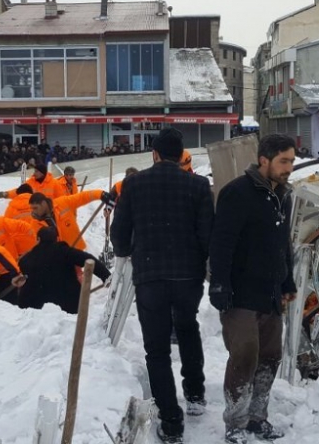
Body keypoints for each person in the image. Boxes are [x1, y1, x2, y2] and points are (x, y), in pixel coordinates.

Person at [109, 127, 214, 443]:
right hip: (188, 277)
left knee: (156, 349)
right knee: (187, 328)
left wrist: (127, 251)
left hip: (150, 275)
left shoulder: (133, 184)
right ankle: (195, 395)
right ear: (181, 155)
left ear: (154, 154)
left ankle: (171, 422)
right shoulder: (198, 185)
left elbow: (119, 232)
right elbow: (207, 234)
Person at [209, 134, 297, 443]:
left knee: (270, 356)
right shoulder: (238, 192)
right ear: (264, 160)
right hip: (240, 292)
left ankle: (258, 418)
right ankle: (236, 423)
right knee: (245, 355)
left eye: (292, 161)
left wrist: (288, 280)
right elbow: (221, 242)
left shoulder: (283, 195)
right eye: (283, 161)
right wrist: (219, 283)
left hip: (270, 292)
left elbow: (283, 243)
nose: (289, 167)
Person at [14, 227, 111, 314]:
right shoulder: (65, 252)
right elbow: (89, 260)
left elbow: (21, 282)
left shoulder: (25, 260)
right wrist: (106, 276)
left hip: (37, 309)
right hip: (68, 305)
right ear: (57, 239)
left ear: (38, 239)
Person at [29, 189, 109, 252]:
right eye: (32, 208)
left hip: (76, 252)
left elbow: (82, 197)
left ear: (43, 203)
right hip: (59, 260)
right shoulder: (35, 224)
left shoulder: (62, 203)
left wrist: (100, 194)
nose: (33, 212)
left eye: (35, 208)